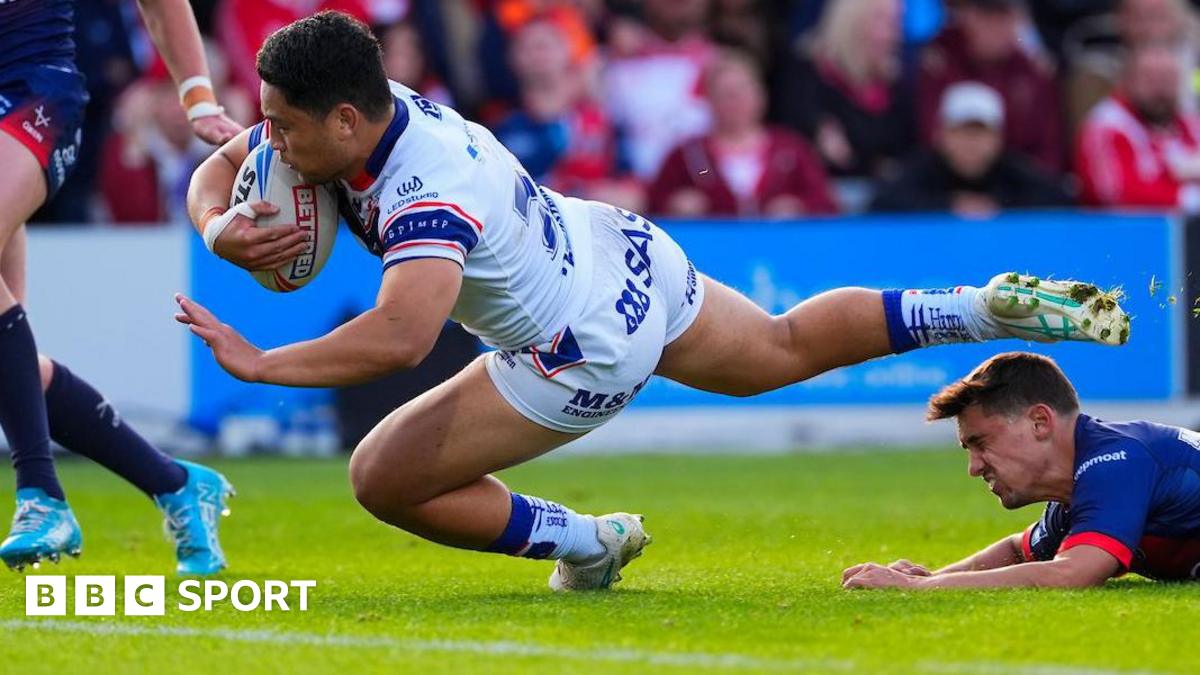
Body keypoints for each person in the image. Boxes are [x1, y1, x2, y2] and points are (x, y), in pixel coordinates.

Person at [181, 12, 1129, 592]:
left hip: (577, 345)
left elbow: (399, 336)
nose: (267, 137)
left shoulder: (428, 197)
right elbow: (218, 170)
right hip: (617, 247)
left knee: (380, 478)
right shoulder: (357, 97)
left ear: (345, 120)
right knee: (784, 345)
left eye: (281, 125)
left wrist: (266, 363)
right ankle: (980, 307)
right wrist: (219, 229)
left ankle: (589, 542)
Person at [0, 0, 244, 572]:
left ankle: (41, 493)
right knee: (11, 369)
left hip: (32, 96)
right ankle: (178, 484)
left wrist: (198, 98)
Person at [844, 352, 1200, 590]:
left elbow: (1072, 572)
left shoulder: (1116, 463)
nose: (974, 467)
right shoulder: (1078, 490)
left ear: (1039, 422)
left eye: (981, 442)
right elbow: (1017, 549)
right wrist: (936, 574)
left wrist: (918, 588)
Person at [649, 50, 836, 218]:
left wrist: (800, 207)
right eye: (725, 94)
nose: (735, 101)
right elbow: (653, 205)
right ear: (709, 100)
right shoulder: (688, 154)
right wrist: (675, 206)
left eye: (741, 91)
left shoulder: (790, 150)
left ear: (760, 96)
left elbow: (827, 204)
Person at [871, 82, 1072, 216]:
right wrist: (949, 207)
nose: (971, 143)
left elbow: (1059, 199)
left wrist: (998, 207)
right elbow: (882, 203)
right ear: (942, 135)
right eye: (961, 132)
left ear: (998, 139)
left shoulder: (1015, 173)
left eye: (980, 132)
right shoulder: (920, 170)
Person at [917, 0, 1064, 173]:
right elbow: (928, 140)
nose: (996, 28)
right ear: (966, 16)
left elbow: (1049, 152)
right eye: (987, 16)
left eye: (1003, 17)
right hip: (943, 182)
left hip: (1015, 186)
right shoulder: (937, 63)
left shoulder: (1032, 73)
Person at [772, 0, 915, 179]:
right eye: (883, 21)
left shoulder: (898, 84)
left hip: (882, 197)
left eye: (896, 22)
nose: (894, 35)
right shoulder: (806, 75)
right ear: (851, 23)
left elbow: (906, 154)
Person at [1076, 41, 1200, 211]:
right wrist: (1186, 198)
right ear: (1127, 80)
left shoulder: (1189, 124)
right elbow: (1115, 194)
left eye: (1167, 80)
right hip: (1125, 234)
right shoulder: (1107, 126)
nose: (1160, 90)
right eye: (1150, 79)